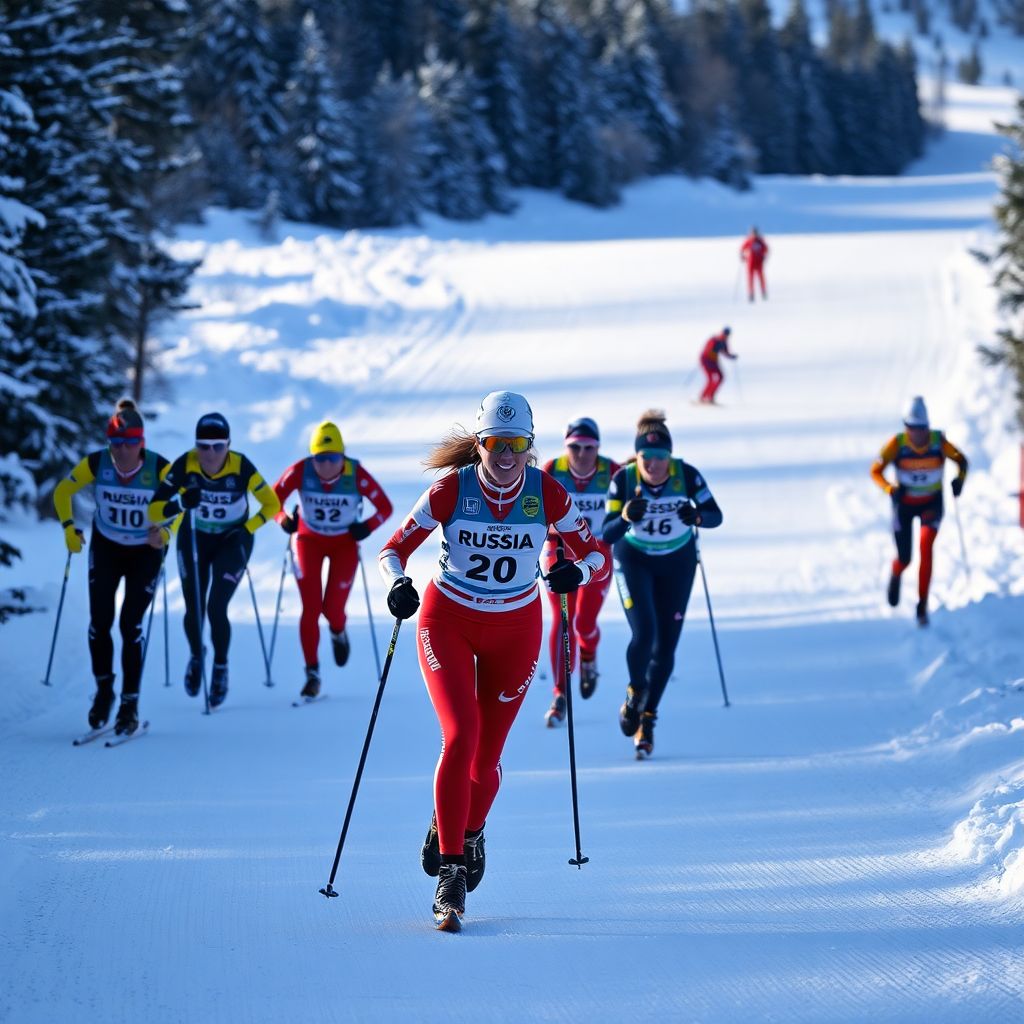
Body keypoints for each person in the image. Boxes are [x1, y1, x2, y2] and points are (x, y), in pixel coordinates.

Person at [378, 391, 608, 931]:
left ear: (530, 447)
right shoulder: (450, 489)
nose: (506, 456)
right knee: (459, 737)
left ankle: (469, 828)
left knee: (486, 761)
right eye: (496, 444)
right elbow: (392, 548)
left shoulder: (546, 492)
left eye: (518, 445)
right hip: (449, 622)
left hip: (516, 629)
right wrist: (400, 585)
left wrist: (580, 572)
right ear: (480, 444)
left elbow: (595, 553)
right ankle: (451, 873)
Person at [601, 409, 723, 759]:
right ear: (636, 456)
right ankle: (635, 692)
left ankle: (648, 717)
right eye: (646, 457)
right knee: (645, 635)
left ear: (669, 457)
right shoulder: (623, 481)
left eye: (660, 458)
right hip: (634, 560)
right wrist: (625, 516)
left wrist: (696, 516)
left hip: (676, 563)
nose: (653, 465)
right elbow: (606, 533)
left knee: (666, 648)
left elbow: (716, 515)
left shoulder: (686, 475)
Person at [52, 400, 175, 735]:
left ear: (141, 443)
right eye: (116, 444)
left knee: (130, 626)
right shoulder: (97, 463)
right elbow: (63, 491)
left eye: (129, 444)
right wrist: (67, 527)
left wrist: (165, 533)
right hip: (106, 548)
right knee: (99, 623)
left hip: (144, 553)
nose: (122, 452)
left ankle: (129, 704)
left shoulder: (158, 468)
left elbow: (180, 504)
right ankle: (105, 690)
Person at [148, 412, 280, 706]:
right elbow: (154, 511)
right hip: (194, 537)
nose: (210, 453)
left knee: (216, 607)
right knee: (194, 606)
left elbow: (271, 504)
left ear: (228, 445)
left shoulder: (241, 466)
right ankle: (197, 656)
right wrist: (180, 503)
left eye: (218, 446)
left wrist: (247, 528)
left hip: (233, 541)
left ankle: (220, 666)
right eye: (203, 446)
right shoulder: (185, 464)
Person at [272, 420, 393, 697]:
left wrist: (367, 527)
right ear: (312, 457)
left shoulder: (355, 473)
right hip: (308, 541)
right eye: (320, 459)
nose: (326, 466)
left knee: (332, 609)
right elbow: (272, 499)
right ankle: (312, 673)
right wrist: (283, 519)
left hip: (344, 544)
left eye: (333, 458)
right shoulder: (300, 471)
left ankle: (338, 631)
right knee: (311, 607)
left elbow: (385, 508)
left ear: (343, 456)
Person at [540, 417, 619, 725]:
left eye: (589, 448)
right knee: (563, 621)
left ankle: (588, 654)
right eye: (575, 447)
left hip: (597, 553)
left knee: (585, 623)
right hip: (559, 549)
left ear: (598, 448)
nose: (583, 454)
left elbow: (633, 500)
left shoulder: (612, 472)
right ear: (566, 447)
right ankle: (560, 693)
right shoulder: (553, 470)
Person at [870, 396, 968, 626]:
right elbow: (875, 470)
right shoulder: (897, 444)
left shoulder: (938, 442)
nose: (917, 433)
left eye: (921, 428)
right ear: (906, 427)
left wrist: (959, 481)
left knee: (926, 546)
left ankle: (922, 605)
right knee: (905, 558)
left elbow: (962, 461)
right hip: (903, 505)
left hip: (930, 504)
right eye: (912, 428)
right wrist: (889, 489)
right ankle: (896, 573)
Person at [698, 326, 737, 405]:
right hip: (706, 360)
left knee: (721, 377)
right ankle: (703, 397)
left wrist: (731, 356)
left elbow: (725, 352)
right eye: (725, 333)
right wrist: (714, 349)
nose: (726, 336)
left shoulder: (724, 342)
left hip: (714, 361)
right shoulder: (714, 339)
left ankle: (710, 398)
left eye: (727, 334)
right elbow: (708, 349)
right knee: (710, 379)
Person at [740, 226, 769, 302]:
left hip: (759, 262)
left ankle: (763, 292)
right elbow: (742, 248)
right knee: (750, 279)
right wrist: (742, 256)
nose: (754, 234)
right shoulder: (749, 240)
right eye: (753, 232)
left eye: (755, 232)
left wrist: (764, 257)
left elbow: (766, 249)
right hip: (751, 263)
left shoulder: (760, 241)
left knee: (761, 278)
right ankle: (751, 294)